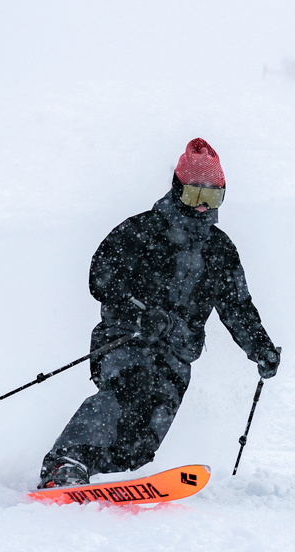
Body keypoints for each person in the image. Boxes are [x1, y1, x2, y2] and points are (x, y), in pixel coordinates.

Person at [37, 138, 280, 489]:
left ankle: (88, 476)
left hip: (177, 352)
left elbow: (237, 307)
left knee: (142, 441)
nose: (200, 208)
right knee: (128, 388)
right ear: (176, 189)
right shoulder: (140, 231)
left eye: (211, 199)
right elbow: (101, 278)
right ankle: (65, 463)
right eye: (194, 196)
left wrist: (261, 349)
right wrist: (140, 313)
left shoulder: (219, 250)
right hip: (126, 338)